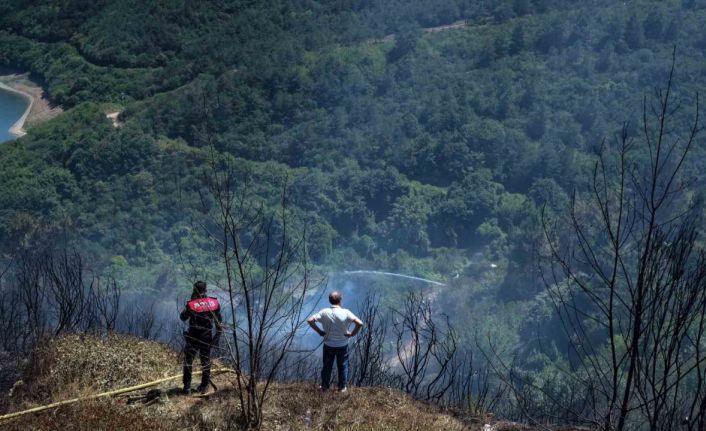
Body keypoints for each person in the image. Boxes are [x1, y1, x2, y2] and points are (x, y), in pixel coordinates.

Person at [307, 291, 364, 392]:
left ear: (330, 300)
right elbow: (360, 323)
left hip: (328, 344)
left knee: (327, 366)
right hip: (342, 345)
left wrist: (320, 331)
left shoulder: (324, 312)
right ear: (340, 300)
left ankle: (324, 386)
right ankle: (342, 387)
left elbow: (310, 320)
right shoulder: (346, 312)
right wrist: (352, 334)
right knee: (343, 366)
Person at [180, 281, 223, 395]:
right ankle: (204, 386)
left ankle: (187, 388)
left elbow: (183, 317)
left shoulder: (192, 304)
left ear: (195, 290)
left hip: (193, 337)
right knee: (205, 362)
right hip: (207, 337)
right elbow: (219, 322)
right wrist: (217, 337)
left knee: (189, 361)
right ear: (205, 290)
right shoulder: (214, 303)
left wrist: (191, 302)